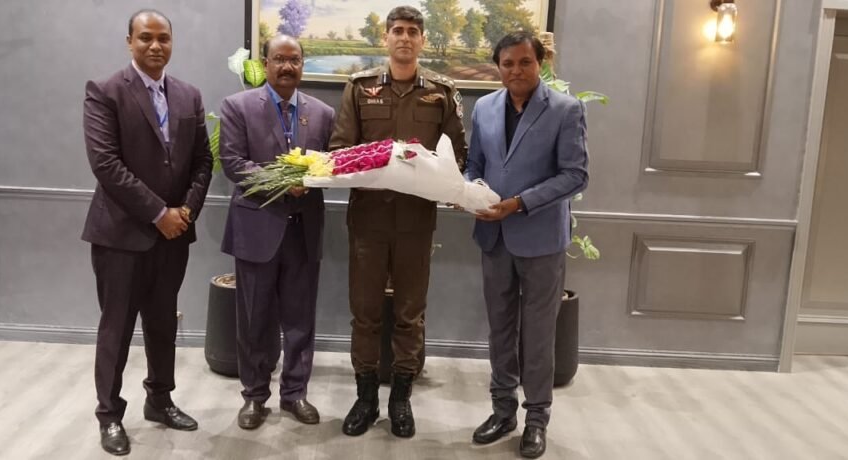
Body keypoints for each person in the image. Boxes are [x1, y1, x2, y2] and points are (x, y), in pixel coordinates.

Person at [329, 4, 468, 439]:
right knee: (365, 312)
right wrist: (377, 164)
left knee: (410, 313)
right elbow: (340, 150)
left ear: (422, 40)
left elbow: (458, 156)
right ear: (385, 39)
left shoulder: (442, 93)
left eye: (412, 31)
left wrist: (431, 171)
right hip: (368, 219)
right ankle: (365, 397)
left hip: (415, 220)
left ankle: (401, 399)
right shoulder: (359, 88)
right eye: (397, 31)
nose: (405, 38)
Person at [81, 9, 212, 456]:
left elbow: (202, 162)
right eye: (145, 38)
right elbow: (106, 165)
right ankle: (109, 416)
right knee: (115, 328)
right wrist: (159, 212)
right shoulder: (105, 91)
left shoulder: (189, 95)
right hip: (120, 235)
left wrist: (186, 211)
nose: (155, 46)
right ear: (129, 42)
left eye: (163, 38)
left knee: (162, 324)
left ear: (172, 42)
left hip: (174, 236)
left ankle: (160, 399)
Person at [464, 31, 589, 459]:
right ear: (497, 66)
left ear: (540, 64)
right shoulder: (484, 107)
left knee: (537, 335)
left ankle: (537, 419)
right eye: (507, 64)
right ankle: (503, 411)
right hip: (493, 236)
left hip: (540, 239)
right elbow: (474, 165)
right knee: (500, 330)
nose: (516, 71)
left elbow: (576, 175)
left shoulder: (565, 109)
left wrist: (518, 204)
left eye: (524, 63)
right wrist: (469, 192)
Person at [219, 35, 335, 430]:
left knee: (301, 319)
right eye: (280, 59)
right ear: (265, 64)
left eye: (295, 60)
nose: (288, 66)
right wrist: (283, 183)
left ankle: (295, 393)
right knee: (254, 319)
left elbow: (330, 165)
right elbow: (234, 164)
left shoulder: (321, 113)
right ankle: (254, 397)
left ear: (304, 65)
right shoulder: (237, 107)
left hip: (304, 232)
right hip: (256, 230)